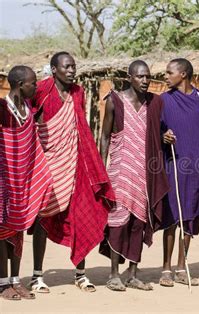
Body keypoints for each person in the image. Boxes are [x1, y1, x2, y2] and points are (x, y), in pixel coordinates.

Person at [29, 51, 115, 293]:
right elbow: (29, 121)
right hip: (46, 166)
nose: (71, 70)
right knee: (42, 219)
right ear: (54, 69)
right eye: (66, 67)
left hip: (75, 164)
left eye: (73, 66)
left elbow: (81, 127)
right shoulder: (41, 90)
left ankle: (81, 273)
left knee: (82, 213)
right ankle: (37, 275)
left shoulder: (78, 92)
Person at [99, 60, 172, 291]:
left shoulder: (155, 102)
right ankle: (113, 274)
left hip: (145, 172)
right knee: (118, 220)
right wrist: (102, 169)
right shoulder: (115, 101)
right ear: (130, 77)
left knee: (139, 222)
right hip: (120, 170)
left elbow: (155, 133)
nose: (145, 81)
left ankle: (132, 273)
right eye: (140, 76)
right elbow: (105, 136)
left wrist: (165, 136)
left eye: (148, 77)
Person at [158, 58, 199, 287]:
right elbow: (155, 131)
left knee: (190, 218)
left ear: (183, 74)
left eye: (169, 72)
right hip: (174, 165)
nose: (165, 76)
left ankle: (182, 267)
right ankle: (166, 269)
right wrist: (164, 136)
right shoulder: (163, 101)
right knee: (172, 217)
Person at [0, 66, 52, 301]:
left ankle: (15, 280)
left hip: (23, 180)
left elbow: (30, 145)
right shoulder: (2, 108)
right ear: (20, 85)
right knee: (2, 230)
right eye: (33, 83)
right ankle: (2, 284)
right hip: (4, 178)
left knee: (19, 229)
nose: (36, 86)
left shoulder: (28, 110)